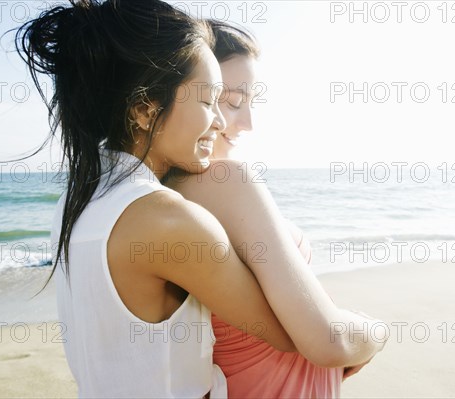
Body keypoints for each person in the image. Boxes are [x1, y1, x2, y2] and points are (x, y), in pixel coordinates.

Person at [16, 1, 385, 397]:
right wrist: (374, 331)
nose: (223, 122)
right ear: (143, 108)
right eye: (212, 100)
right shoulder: (169, 220)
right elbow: (316, 338)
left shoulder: (79, 202)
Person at [164, 21, 387, 398]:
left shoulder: (158, 195)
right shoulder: (224, 181)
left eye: (250, 103)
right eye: (232, 101)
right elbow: (328, 341)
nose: (247, 123)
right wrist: (375, 332)